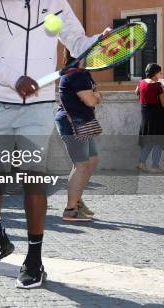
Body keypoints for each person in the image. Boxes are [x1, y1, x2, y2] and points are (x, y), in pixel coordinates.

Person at [0, 0, 109, 288]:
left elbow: (74, 40)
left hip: (38, 106)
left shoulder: (53, 5)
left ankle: (34, 259)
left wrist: (98, 44)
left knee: (33, 179)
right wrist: (15, 78)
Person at [55, 50, 101, 221]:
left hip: (83, 121)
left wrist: (95, 96)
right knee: (81, 165)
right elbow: (91, 100)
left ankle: (77, 199)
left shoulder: (83, 74)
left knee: (92, 160)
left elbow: (94, 96)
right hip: (73, 122)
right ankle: (70, 209)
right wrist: (95, 96)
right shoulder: (76, 74)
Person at [136, 63, 164, 173]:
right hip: (157, 117)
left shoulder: (141, 83)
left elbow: (137, 92)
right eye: (160, 72)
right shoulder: (158, 86)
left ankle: (141, 162)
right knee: (158, 141)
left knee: (149, 141)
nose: (160, 74)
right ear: (155, 73)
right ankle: (155, 166)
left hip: (145, 116)